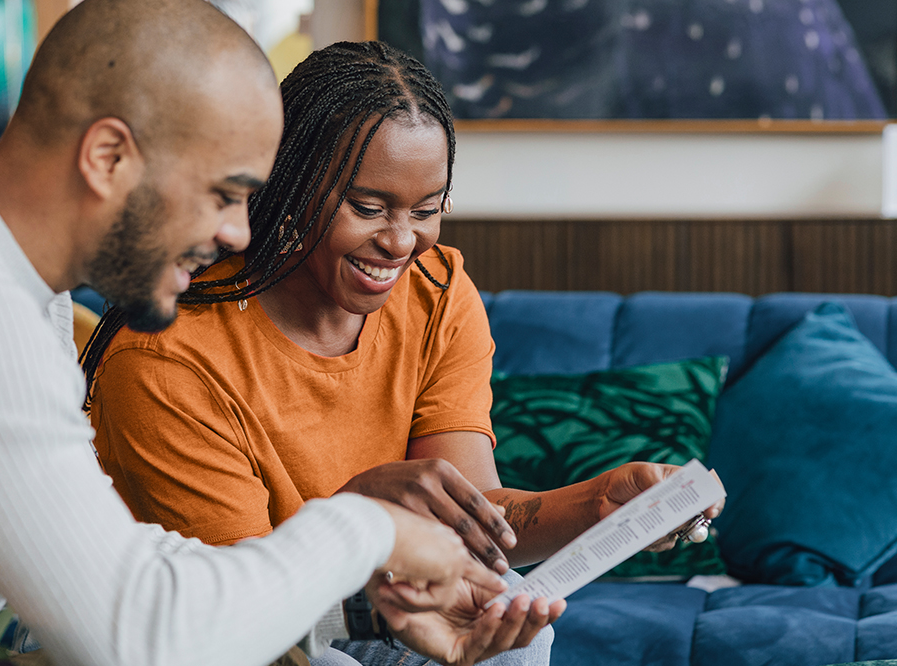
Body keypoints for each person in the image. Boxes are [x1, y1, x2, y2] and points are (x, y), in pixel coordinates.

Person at [0, 2, 563, 665]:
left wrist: (369, 607)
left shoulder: (1, 280)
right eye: (224, 193)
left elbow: (125, 569)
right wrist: (369, 525)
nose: (239, 234)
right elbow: (132, 635)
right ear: (108, 156)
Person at [83, 41, 719, 664]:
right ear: (285, 181)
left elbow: (472, 520)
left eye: (427, 208)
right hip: (192, 627)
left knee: (514, 636)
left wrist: (602, 504)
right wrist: (357, 510)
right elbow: (240, 612)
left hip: (362, 600)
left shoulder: (435, 292)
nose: (401, 241)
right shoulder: (167, 355)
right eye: (368, 207)